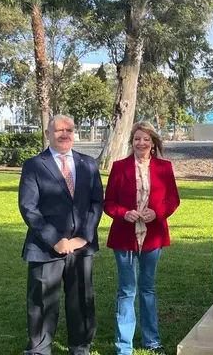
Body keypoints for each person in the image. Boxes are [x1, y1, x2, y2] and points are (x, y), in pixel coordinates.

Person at [18, 115, 104, 355]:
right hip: (45, 247)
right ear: (48, 134)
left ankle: (80, 347)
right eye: (58, 130)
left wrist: (83, 237)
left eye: (69, 129)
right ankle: (39, 349)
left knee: (82, 301)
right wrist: (55, 240)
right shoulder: (34, 165)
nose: (64, 134)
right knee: (43, 303)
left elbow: (97, 203)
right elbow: (28, 207)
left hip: (81, 247)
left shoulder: (88, 164)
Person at [103, 121, 180, 355]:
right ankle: (123, 346)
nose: (141, 143)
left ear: (153, 143)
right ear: (132, 142)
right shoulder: (119, 167)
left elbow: (173, 200)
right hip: (125, 237)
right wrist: (123, 213)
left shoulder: (164, 167)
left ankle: (152, 340)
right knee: (126, 290)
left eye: (146, 139)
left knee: (147, 288)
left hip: (153, 236)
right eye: (137, 138)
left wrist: (157, 212)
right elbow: (109, 203)